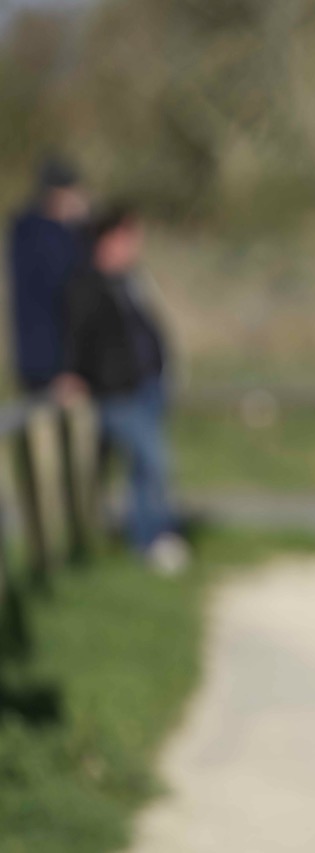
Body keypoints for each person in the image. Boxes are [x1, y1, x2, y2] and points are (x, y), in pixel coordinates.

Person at [59, 204, 189, 574]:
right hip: (117, 393)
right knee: (153, 462)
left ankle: (147, 536)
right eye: (129, 236)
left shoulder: (132, 282)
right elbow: (76, 337)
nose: (136, 244)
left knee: (147, 467)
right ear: (108, 240)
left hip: (147, 387)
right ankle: (152, 539)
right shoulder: (86, 285)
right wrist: (72, 375)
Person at [7, 156, 89, 392]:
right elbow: (69, 291)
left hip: (34, 358)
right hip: (55, 363)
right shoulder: (51, 240)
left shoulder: (25, 231)